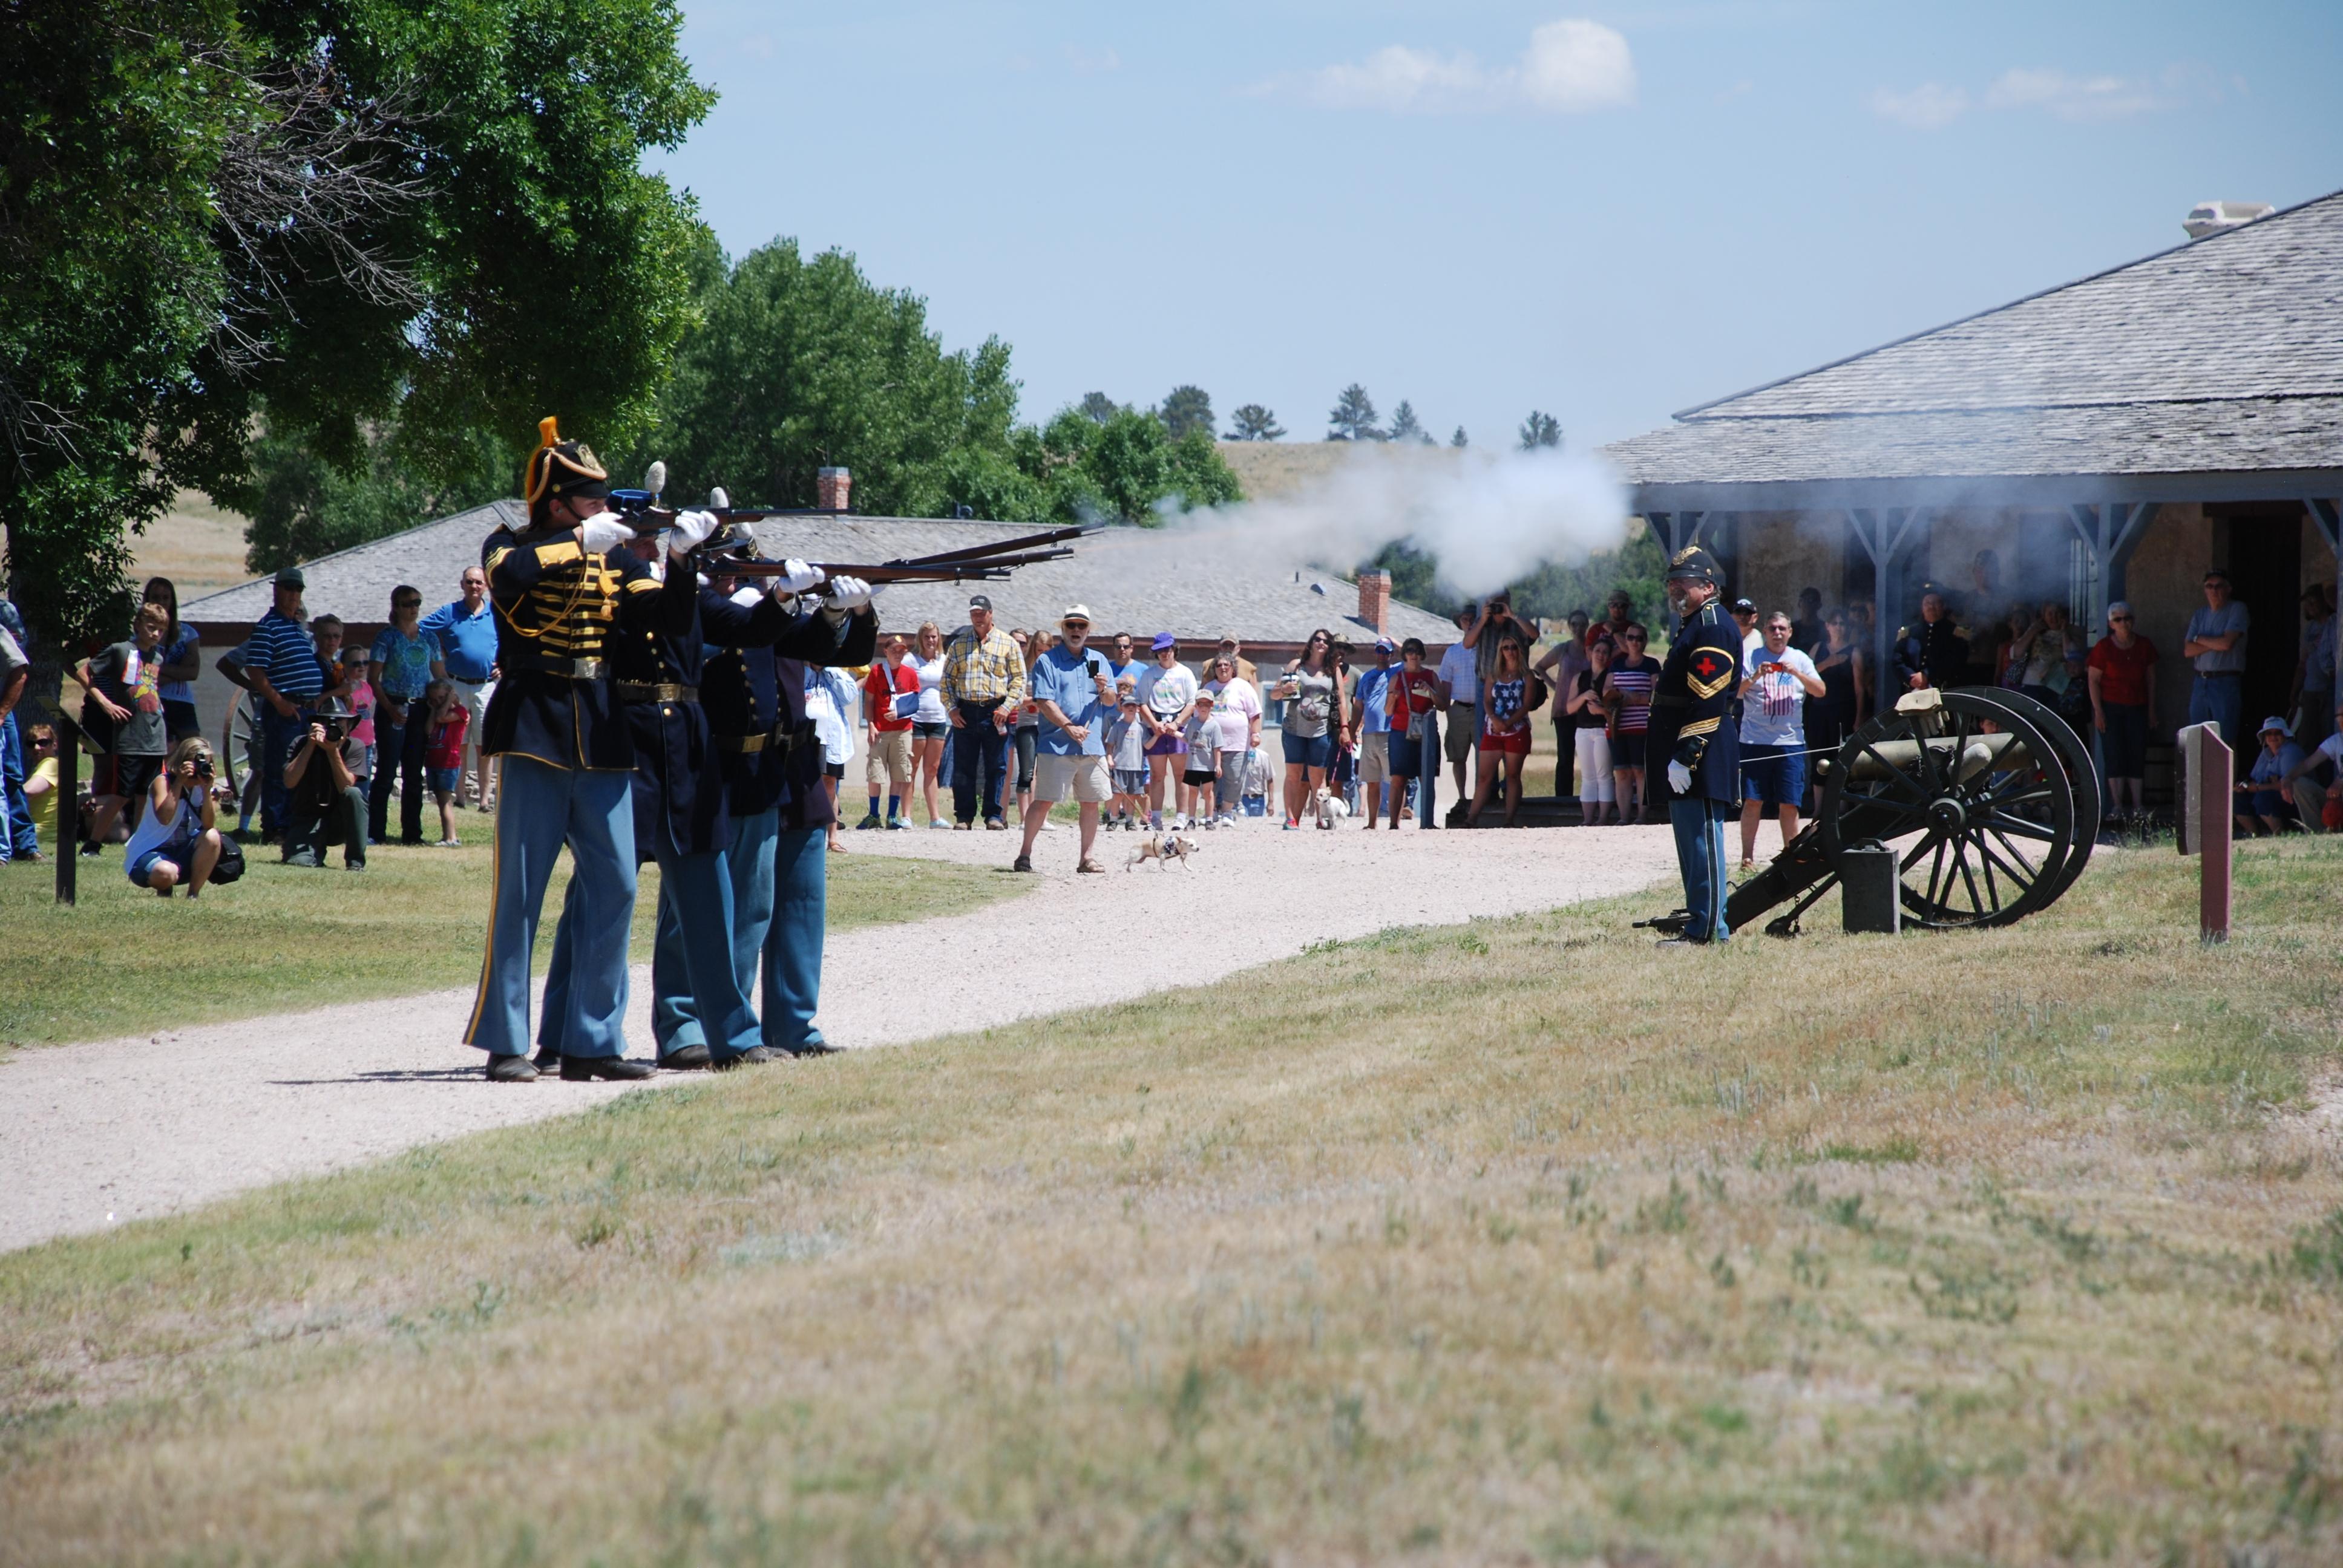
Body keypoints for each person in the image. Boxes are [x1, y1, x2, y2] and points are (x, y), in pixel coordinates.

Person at [550, 523, 867, 1074]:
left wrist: (798, 601)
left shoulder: (693, 595)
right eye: (650, 541)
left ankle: (728, 1035)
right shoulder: (602, 587)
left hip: (686, 760)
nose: (653, 549)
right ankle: (563, 1034)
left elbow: (752, 627)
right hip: (624, 752)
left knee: (711, 906)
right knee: (597, 902)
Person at [465, 418, 673, 1084]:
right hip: (535, 724)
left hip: (603, 725)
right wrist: (579, 540)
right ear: (557, 503)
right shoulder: (512, 542)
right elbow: (509, 580)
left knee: (616, 883)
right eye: (591, 502)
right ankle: (506, 1041)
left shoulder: (617, 552)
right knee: (519, 892)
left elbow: (659, 618)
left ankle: (591, 1040)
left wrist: (685, 559)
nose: (605, 512)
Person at [664, 562, 875, 1064]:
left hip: (793, 764)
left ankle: (792, 1026)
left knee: (800, 907)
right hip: (725, 766)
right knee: (708, 912)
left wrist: (849, 609)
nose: (733, 581)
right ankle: (695, 1027)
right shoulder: (687, 606)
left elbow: (841, 649)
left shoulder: (771, 612)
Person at [1647, 546, 1742, 946]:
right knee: (1691, 843)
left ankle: (1708, 930)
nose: (1674, 588)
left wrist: (1686, 757)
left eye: (1682, 582)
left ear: (1707, 586)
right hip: (1683, 746)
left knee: (1704, 841)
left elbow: (1708, 698)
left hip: (1700, 750)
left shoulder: (1713, 625)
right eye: (1672, 582)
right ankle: (1699, 923)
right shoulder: (1694, 623)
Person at [217, 568, 323, 840]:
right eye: (288, 588)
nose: (293, 595)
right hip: (285, 710)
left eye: (298, 590)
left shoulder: (294, 627)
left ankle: (293, 824)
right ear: (276, 591)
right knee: (279, 770)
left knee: (301, 769)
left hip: (305, 708)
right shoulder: (268, 626)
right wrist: (277, 702)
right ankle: (275, 827)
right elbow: (254, 669)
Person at [1012, 605, 1118, 874]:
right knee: (1044, 800)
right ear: (1063, 629)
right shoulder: (1048, 661)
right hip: (1056, 744)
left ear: (1088, 631)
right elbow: (1044, 702)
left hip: (1091, 745)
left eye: (1081, 626)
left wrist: (1104, 689)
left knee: (1091, 802)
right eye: (1071, 626)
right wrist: (1069, 726)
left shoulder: (1099, 660)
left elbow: (1111, 700)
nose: (1076, 631)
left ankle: (1087, 858)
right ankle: (1024, 855)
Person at [74, 600, 172, 854]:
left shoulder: (158, 657)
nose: (155, 634)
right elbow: (85, 674)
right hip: (130, 736)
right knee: (121, 794)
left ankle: (138, 843)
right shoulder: (120, 650)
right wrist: (106, 705)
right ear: (138, 624)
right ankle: (93, 843)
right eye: (151, 627)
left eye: (161, 630)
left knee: (145, 795)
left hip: (154, 733)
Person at [1736, 610, 1824, 869]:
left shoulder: (1799, 658)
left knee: (1789, 802)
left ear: (1790, 632)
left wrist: (1797, 673)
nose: (1777, 633)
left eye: (1782, 629)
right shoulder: (1752, 658)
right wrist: (1755, 677)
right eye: (1772, 628)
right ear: (1764, 632)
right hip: (1755, 742)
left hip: (1790, 742)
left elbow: (1820, 691)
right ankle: (1747, 858)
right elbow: (1735, 693)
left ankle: (1791, 855)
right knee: (1753, 801)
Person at [940, 592, 1025, 829]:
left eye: (982, 613)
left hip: (995, 712)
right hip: (965, 712)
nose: (978, 617)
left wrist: (1007, 708)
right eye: (974, 613)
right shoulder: (959, 644)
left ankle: (994, 816)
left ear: (991, 613)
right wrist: (952, 709)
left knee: (997, 765)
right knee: (963, 766)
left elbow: (1019, 679)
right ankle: (964, 816)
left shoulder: (1008, 643)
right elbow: (947, 680)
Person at [423, 564, 500, 811]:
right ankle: (460, 797)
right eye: (469, 582)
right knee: (459, 743)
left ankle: (485, 800)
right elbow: (421, 630)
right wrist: (440, 654)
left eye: (479, 582)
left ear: (486, 586)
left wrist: (505, 663)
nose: (474, 587)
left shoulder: (496, 614)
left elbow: (515, 639)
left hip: (486, 686)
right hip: (455, 685)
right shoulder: (450, 612)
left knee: (484, 745)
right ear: (462, 585)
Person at [368, 584, 433, 846]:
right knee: (386, 771)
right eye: (408, 603)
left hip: (420, 707)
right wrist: (389, 708)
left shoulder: (429, 638)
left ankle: (412, 834)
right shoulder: (386, 638)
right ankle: (376, 832)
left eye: (417, 602)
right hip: (392, 705)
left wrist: (443, 700)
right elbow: (374, 679)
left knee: (414, 773)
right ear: (396, 607)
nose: (414, 608)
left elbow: (439, 674)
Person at [2085, 601, 2159, 821]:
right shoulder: (2103, 648)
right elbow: (2093, 680)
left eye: (2127, 618)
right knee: (2114, 755)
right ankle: (2117, 806)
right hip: (2111, 708)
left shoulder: (2144, 645)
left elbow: (2152, 680)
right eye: (2118, 619)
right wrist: (2098, 711)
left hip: (2138, 707)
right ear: (2111, 624)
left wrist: (2152, 711)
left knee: (2136, 754)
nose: (2124, 623)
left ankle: (2138, 806)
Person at [124, 736, 224, 895]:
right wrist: (179, 782)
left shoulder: (203, 787)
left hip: (182, 852)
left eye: (206, 763)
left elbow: (208, 825)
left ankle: (193, 894)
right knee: (166, 873)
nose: (200, 768)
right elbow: (165, 819)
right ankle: (164, 889)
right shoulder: (163, 782)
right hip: (150, 852)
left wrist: (207, 791)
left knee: (212, 836)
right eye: (196, 762)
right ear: (183, 761)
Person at [279, 696, 367, 871]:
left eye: (340, 723)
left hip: (339, 821)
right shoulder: (301, 743)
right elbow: (289, 782)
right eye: (327, 722)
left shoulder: (355, 746)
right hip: (307, 818)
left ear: (349, 727)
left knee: (354, 794)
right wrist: (310, 746)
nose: (334, 727)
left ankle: (356, 863)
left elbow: (346, 786)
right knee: (300, 864)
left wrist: (332, 751)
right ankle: (312, 851)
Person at [1275, 627, 1342, 831]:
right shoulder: (1297, 666)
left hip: (1320, 730)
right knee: (1293, 775)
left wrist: (1345, 727)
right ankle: (1290, 819)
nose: (1322, 643)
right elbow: (1275, 695)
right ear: (1311, 643)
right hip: (1294, 728)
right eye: (1318, 640)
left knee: (1317, 778)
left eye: (1326, 641)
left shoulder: (1333, 670)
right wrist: (1283, 689)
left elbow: (1342, 703)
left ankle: (1322, 819)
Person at [1467, 633, 1533, 828]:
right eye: (1506, 648)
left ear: (1519, 651)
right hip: (1494, 728)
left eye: (1513, 647)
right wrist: (1496, 720)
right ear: (1500, 652)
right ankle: (1471, 819)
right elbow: (1487, 700)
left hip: (1517, 728)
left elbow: (1526, 704)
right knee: (1484, 776)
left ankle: (1509, 820)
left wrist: (1509, 722)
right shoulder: (1494, 675)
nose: (1510, 652)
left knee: (1512, 775)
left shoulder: (1526, 676)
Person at [1805, 609, 1867, 814]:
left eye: (1842, 624)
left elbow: (1860, 690)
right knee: (1818, 757)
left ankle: (1840, 807)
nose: (1838, 627)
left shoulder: (1853, 652)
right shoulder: (1818, 648)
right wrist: (1828, 663)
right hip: (1818, 712)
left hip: (1843, 711)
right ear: (1827, 626)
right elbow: (1807, 676)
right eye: (1835, 623)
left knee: (1839, 758)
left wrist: (1859, 718)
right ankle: (1818, 808)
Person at [858, 633, 919, 830]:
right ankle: (873, 814)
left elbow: (914, 702)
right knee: (875, 772)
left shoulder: (910, 674)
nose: (898, 654)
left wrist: (900, 712)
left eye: (901, 651)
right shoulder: (877, 672)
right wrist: (871, 724)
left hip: (903, 731)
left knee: (900, 773)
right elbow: (869, 700)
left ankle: (892, 816)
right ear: (886, 652)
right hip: (880, 731)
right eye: (894, 651)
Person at [1138, 632, 1198, 830]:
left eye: (1168, 649)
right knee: (1157, 775)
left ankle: (1181, 818)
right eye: (1160, 651)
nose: (1165, 654)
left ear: (1174, 650)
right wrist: (1154, 724)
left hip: (1177, 725)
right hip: (1156, 725)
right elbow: (1142, 703)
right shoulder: (1149, 674)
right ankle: (1156, 818)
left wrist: (1177, 723)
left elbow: (1191, 703)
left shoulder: (1185, 673)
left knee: (1181, 773)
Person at [2181, 570, 2249, 745]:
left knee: (2225, 739)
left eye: (2219, 586)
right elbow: (2188, 650)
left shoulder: (2237, 609)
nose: (2214, 591)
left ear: (2228, 589)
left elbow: (2227, 644)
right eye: (2209, 586)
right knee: (2197, 737)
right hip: (2201, 681)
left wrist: (2200, 639)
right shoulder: (2200, 614)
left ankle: (2228, 773)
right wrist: (2216, 642)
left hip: (2225, 681)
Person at [1604, 624, 1660, 823]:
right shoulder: (1616, 664)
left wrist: (1635, 698)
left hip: (1641, 726)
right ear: (1625, 640)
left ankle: (1642, 815)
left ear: (1645, 641)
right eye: (1631, 638)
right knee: (1621, 772)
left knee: (1640, 771)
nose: (1634, 642)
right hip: (1617, 726)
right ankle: (1624, 816)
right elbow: (1606, 690)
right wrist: (1618, 696)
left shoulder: (1652, 665)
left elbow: (1657, 695)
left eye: (1639, 638)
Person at [1384, 638, 1440, 828]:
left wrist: (1431, 691)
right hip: (1401, 731)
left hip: (1427, 732)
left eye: (1416, 651)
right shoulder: (1396, 678)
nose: (1413, 654)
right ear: (1404, 655)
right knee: (1398, 778)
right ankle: (1394, 823)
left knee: (1427, 778)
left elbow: (1442, 705)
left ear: (1422, 654)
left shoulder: (1431, 676)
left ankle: (1428, 822)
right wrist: (1393, 697)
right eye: (1409, 651)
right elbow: (1388, 711)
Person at [1533, 614, 1590, 800]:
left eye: (1582, 624)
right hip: (1563, 708)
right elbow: (1539, 667)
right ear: (1569, 626)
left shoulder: (1592, 649)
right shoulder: (1563, 650)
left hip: (1588, 710)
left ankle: (1590, 796)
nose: (1579, 628)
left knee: (1591, 756)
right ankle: (1563, 798)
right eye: (1575, 624)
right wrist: (1555, 685)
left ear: (1587, 625)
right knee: (1565, 756)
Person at [142, 577, 203, 745]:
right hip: (151, 699)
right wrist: (179, 670)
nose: (161, 603)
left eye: (166, 598)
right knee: (157, 750)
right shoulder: (139, 636)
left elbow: (193, 673)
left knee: (193, 748)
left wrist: (158, 669)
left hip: (182, 700)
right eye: (155, 597)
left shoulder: (188, 634)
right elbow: (143, 673)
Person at [1202, 653, 1260, 823]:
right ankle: (1211, 812)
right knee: (1209, 780)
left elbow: (1255, 713)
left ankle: (1227, 811)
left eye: (1226, 665)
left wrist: (1255, 734)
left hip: (1237, 743)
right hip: (1210, 744)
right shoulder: (1209, 688)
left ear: (1233, 668)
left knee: (1235, 779)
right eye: (1219, 665)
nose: (1223, 668)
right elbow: (1199, 712)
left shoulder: (1243, 686)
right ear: (1215, 669)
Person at [807, 659, 857, 854]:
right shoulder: (803, 671)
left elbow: (849, 696)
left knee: (830, 784)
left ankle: (833, 838)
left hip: (832, 738)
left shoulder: (834, 673)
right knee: (808, 783)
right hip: (807, 737)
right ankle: (811, 833)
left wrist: (829, 668)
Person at [904, 621, 951, 828]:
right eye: (927, 637)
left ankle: (935, 817)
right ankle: (906, 816)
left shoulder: (944, 660)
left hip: (938, 719)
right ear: (920, 639)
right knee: (912, 768)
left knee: (932, 768)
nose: (931, 641)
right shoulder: (911, 661)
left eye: (934, 637)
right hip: (917, 719)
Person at [1565, 638, 1616, 825]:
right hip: (1583, 730)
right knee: (1588, 776)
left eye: (1605, 652)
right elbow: (1569, 707)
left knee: (1604, 775)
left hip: (1603, 729)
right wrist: (1584, 697)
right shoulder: (1580, 678)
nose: (1601, 655)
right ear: (1590, 653)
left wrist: (1600, 708)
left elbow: (1615, 706)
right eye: (1598, 651)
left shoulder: (1611, 677)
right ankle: (1587, 819)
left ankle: (1602, 819)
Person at [1435, 606, 1479, 809]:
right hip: (1459, 708)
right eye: (1465, 619)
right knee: (1458, 756)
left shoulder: (1487, 649)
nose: (1469, 623)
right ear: (1460, 623)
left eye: (1473, 619)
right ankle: (1462, 798)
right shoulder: (1452, 652)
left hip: (1482, 709)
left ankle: (1483, 796)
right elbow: (1446, 683)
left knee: (1486, 756)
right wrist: (1444, 706)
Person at [1351, 638, 1397, 827]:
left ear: (1391, 654)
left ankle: (1394, 822)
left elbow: (1414, 653)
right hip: (1369, 734)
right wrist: (1353, 730)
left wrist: (1395, 641)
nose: (1382, 655)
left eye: (1386, 651)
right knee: (1372, 781)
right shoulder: (1365, 677)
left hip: (1389, 732)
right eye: (1379, 651)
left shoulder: (1396, 671)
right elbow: (1358, 706)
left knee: (1394, 781)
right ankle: (1372, 822)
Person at [2236, 717, 2305, 836]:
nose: (2273, 737)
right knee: (2237, 797)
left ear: (2285, 735)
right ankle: (2254, 835)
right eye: (2269, 733)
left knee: (2263, 798)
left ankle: (2279, 835)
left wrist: (2257, 788)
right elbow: (2255, 778)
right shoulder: (2266, 753)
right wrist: (2244, 786)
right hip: (2273, 797)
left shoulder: (2291, 751)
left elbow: (2287, 784)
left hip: (2295, 802)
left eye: (2277, 733)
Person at [2281, 700, 2343, 831]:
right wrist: (2287, 778)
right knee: (2299, 784)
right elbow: (2307, 764)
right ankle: (2315, 835)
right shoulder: (2336, 741)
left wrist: (2340, 780)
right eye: (2339, 717)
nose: (2341, 720)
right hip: (2338, 799)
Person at [420, 679, 468, 845]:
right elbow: (428, 730)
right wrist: (433, 709)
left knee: (445, 801)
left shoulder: (461, 712)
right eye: (433, 700)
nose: (438, 702)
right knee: (441, 801)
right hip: (434, 761)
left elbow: (442, 718)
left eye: (442, 698)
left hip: (448, 762)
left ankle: (451, 838)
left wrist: (449, 701)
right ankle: (448, 836)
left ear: (450, 695)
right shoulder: (435, 712)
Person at [1893, 589, 1969, 693]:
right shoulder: (1909, 633)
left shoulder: (1955, 633)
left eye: (1936, 603)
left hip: (1944, 693)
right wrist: (1911, 679)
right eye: (1927, 603)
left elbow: (1954, 661)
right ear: (1922, 608)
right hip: (1913, 692)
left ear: (1943, 606)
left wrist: (1927, 676)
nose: (1931, 607)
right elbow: (1897, 660)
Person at [2290, 585, 2337, 750]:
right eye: (2307, 603)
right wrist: (2295, 691)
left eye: (2313, 602)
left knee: (2329, 736)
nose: (2309, 606)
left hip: (2330, 689)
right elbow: (2303, 663)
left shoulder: (2335, 624)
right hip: (2311, 690)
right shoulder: (2310, 629)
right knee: (2306, 738)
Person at [0, 607, 28, 863]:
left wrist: (1, 714)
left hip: (1, 713)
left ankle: (19, 844)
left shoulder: (3, 613)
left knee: (9, 777)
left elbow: (19, 666)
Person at [1106, 676, 1147, 831]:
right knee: (1117, 794)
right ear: (1122, 707)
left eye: (1133, 706)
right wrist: (1109, 758)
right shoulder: (1117, 726)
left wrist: (1157, 735)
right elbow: (1110, 744)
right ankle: (1113, 819)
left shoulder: (1141, 728)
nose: (1131, 708)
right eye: (1127, 705)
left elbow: (1147, 744)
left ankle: (1130, 820)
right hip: (1120, 765)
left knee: (1132, 796)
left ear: (1137, 708)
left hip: (1136, 767)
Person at [20, 724, 57, 856]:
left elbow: (29, 791)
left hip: (40, 833)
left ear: (55, 744)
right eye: (31, 744)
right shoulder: (43, 766)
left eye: (43, 743)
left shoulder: (51, 763)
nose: (36, 748)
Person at [1789, 587, 1826, 656]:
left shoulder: (1826, 629)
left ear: (1819, 605)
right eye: (1804, 600)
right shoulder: (1791, 629)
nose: (1807, 604)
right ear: (1799, 603)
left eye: (1811, 600)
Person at [1729, 597, 1761, 662]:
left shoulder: (1763, 640)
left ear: (1755, 617)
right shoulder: (1725, 638)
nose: (1742, 616)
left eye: (1747, 613)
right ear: (1731, 615)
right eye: (1738, 612)